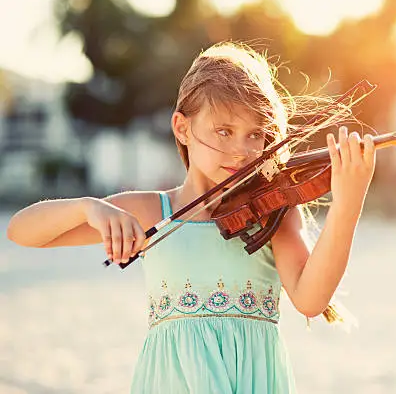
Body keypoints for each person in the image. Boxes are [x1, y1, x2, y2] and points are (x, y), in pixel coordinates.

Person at [6, 41, 376, 393]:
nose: (241, 150)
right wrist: (86, 206)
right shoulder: (152, 211)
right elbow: (22, 231)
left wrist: (347, 204)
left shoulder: (272, 215)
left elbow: (310, 300)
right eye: (224, 131)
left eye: (256, 135)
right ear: (182, 128)